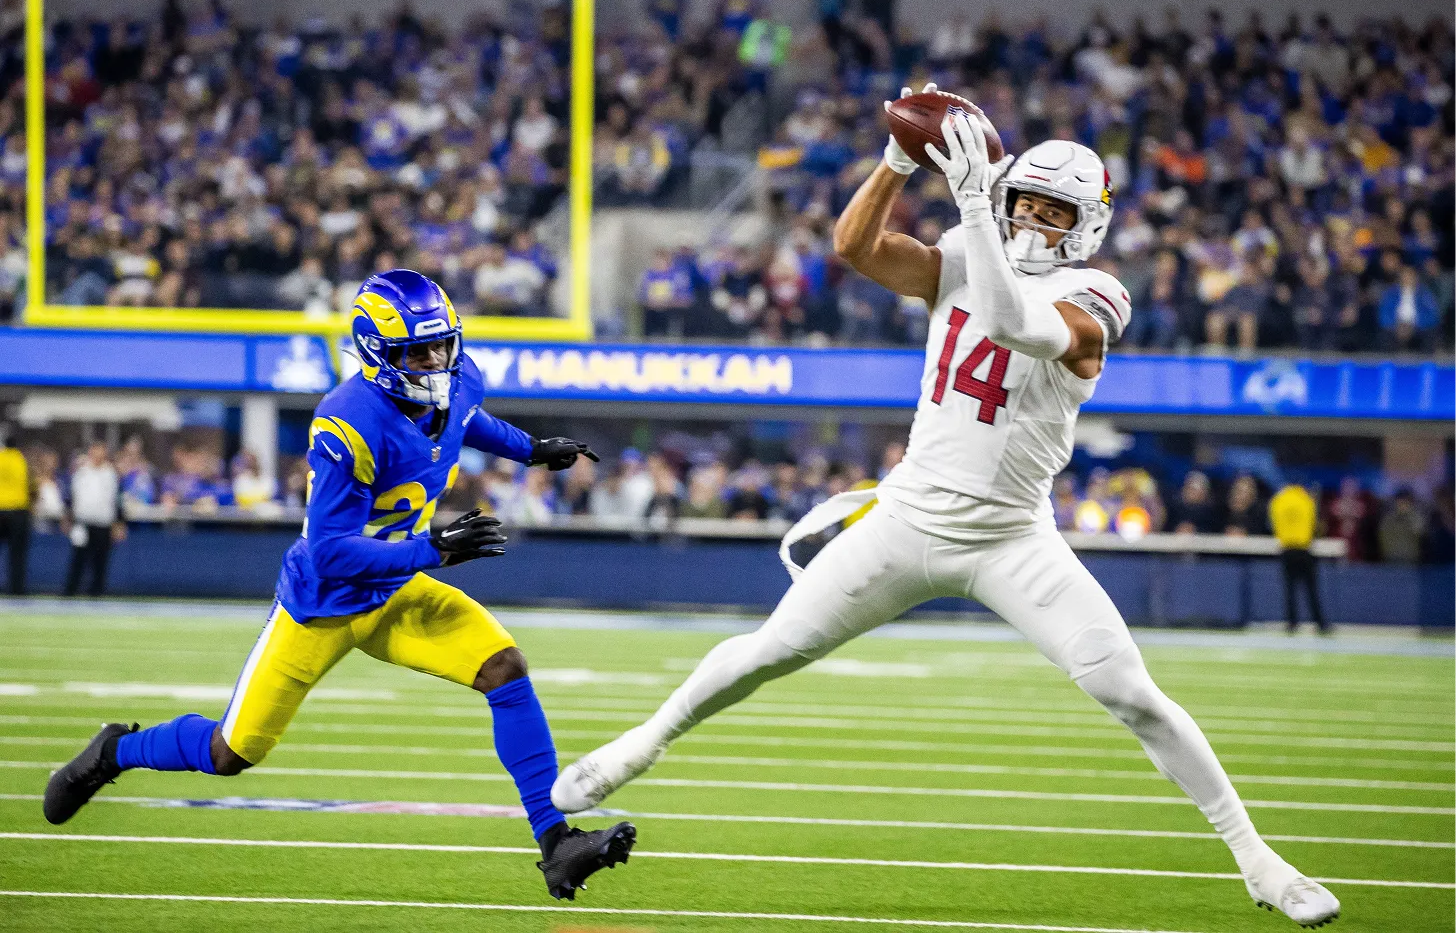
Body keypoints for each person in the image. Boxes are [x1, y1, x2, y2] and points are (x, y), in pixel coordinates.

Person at [551, 95, 1338, 928]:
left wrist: (971, 207)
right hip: (908, 518)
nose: (1033, 222)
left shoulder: (1096, 293)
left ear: (1088, 225)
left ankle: (1258, 858)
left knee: (1131, 692)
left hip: (1011, 537)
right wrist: (897, 161)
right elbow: (853, 248)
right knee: (766, 653)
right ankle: (640, 745)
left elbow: (1014, 323)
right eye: (1023, 204)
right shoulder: (968, 247)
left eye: (1053, 211)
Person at [43, 271, 633, 902]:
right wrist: (430, 549)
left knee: (504, 668)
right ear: (376, 351)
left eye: (441, 346)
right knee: (231, 751)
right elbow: (329, 552)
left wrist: (530, 449)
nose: (434, 362)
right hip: (323, 604)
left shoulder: (456, 380)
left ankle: (557, 843)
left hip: (396, 589)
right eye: (416, 352)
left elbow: (466, 418)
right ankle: (116, 753)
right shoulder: (349, 421)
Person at [63, 442, 127, 598]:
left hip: (103, 523)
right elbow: (72, 496)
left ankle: (97, 593)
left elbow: (117, 500)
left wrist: (119, 522)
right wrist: (67, 517)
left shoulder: (111, 474)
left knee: (100, 561)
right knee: (78, 559)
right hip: (83, 522)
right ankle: (70, 592)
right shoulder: (81, 472)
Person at [1268, 481, 1328, 633]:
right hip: (1304, 548)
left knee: (1289, 590)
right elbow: (1313, 524)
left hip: (1287, 548)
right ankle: (1320, 623)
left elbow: (1274, 524)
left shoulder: (1278, 501)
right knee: (1311, 590)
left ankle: (1292, 623)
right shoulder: (1306, 500)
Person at [0, 433, 29, 594]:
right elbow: (30, 484)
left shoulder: (0, 458)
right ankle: (16, 589)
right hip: (17, 511)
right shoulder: (20, 459)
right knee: (17, 554)